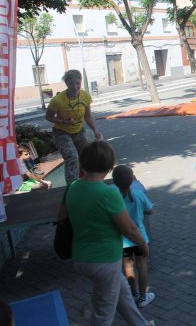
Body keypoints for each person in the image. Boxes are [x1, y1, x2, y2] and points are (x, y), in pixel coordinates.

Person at [57, 141, 154, 326]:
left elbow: (62, 218)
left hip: (80, 256)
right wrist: (143, 244)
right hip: (104, 261)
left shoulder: (72, 187)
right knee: (103, 314)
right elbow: (130, 229)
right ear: (109, 167)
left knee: (123, 292)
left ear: (83, 162)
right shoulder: (108, 194)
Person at [45, 70, 102, 184]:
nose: (75, 87)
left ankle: (85, 182)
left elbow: (87, 115)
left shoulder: (85, 96)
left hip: (79, 131)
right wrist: (63, 121)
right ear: (67, 84)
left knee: (85, 156)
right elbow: (48, 117)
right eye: (72, 84)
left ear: (81, 82)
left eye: (78, 83)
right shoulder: (58, 100)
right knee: (72, 157)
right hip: (61, 132)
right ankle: (72, 187)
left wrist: (95, 130)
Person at [112, 165, 155, 308]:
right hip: (140, 238)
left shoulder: (113, 195)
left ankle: (134, 293)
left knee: (128, 265)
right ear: (132, 180)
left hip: (123, 238)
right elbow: (150, 211)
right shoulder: (138, 194)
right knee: (141, 265)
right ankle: (143, 298)